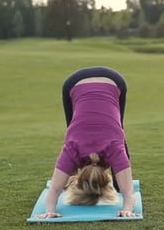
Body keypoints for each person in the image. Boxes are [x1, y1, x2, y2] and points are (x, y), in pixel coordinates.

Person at [37, 66, 137, 219]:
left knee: (118, 133)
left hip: (112, 80)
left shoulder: (114, 150)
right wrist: (49, 211)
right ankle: (118, 183)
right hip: (76, 82)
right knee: (116, 131)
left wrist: (127, 208)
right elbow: (54, 190)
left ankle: (119, 183)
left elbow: (129, 195)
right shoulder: (72, 149)